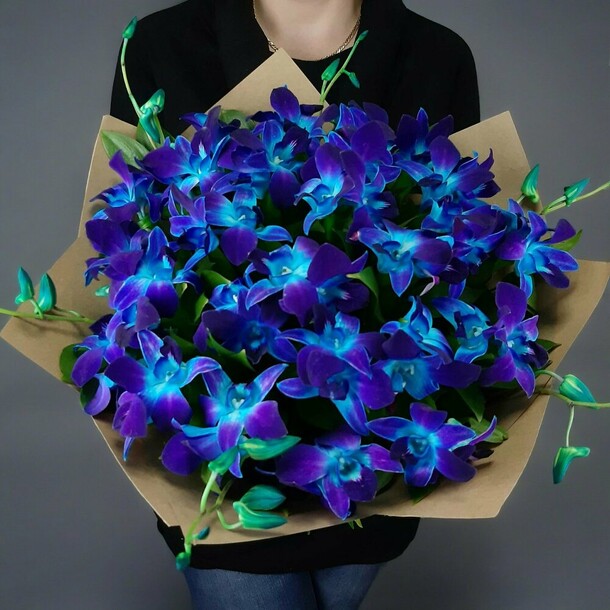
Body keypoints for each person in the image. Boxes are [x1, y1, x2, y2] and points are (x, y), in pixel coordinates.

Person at [109, 1, 480, 608]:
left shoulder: (439, 57)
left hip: (372, 469)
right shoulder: (157, 46)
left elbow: (461, 258)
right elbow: (127, 246)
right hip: (220, 473)